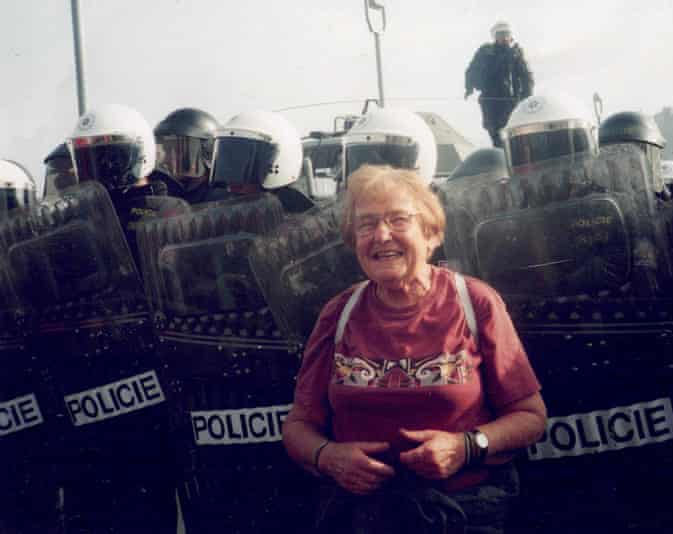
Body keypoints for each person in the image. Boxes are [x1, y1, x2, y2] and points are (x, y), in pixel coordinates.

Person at [282, 164, 546, 533]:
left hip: (464, 514)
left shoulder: (475, 302)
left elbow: (531, 417)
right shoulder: (338, 313)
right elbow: (298, 426)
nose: (381, 235)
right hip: (364, 516)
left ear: (430, 234)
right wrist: (328, 457)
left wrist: (466, 447)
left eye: (398, 220)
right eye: (367, 224)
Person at [67, 103, 173, 254]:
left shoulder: (164, 211)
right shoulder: (83, 217)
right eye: (85, 160)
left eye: (108, 158)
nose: (98, 167)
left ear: (140, 154)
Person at [209, 109, 317, 212]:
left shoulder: (301, 219)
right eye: (231, 163)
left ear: (278, 165)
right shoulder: (222, 206)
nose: (232, 183)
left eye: (246, 166)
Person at [465, 21, 534, 148]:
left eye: (506, 33)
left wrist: (527, 98)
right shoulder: (485, 52)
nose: (504, 37)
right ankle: (500, 157)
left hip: (511, 101)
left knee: (513, 134)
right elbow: (472, 69)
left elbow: (527, 76)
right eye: (500, 34)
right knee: (495, 134)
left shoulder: (516, 53)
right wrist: (469, 87)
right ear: (495, 36)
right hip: (491, 101)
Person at [152, 107, 220, 204]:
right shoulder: (163, 192)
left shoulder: (221, 201)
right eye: (167, 151)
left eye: (178, 152)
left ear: (208, 151)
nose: (167, 159)